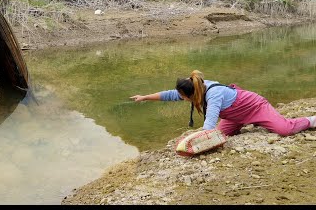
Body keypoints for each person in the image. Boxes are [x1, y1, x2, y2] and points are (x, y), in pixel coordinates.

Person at [130, 70, 316, 138]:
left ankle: (311, 120)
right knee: (219, 137)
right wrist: (145, 97)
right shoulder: (195, 89)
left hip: (254, 106)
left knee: (284, 130)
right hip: (234, 116)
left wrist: (198, 137)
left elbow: (210, 122)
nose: (181, 98)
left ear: (191, 93)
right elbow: (169, 95)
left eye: (183, 97)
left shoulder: (213, 95)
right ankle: (246, 125)